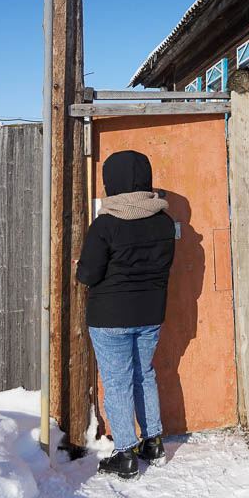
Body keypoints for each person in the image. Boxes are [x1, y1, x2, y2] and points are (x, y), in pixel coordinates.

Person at [75, 149, 175, 479]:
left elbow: (88, 275)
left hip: (110, 316)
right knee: (143, 374)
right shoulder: (163, 221)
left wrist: (81, 268)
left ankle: (125, 454)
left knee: (117, 383)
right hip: (151, 313)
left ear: (112, 182)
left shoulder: (105, 224)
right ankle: (153, 442)